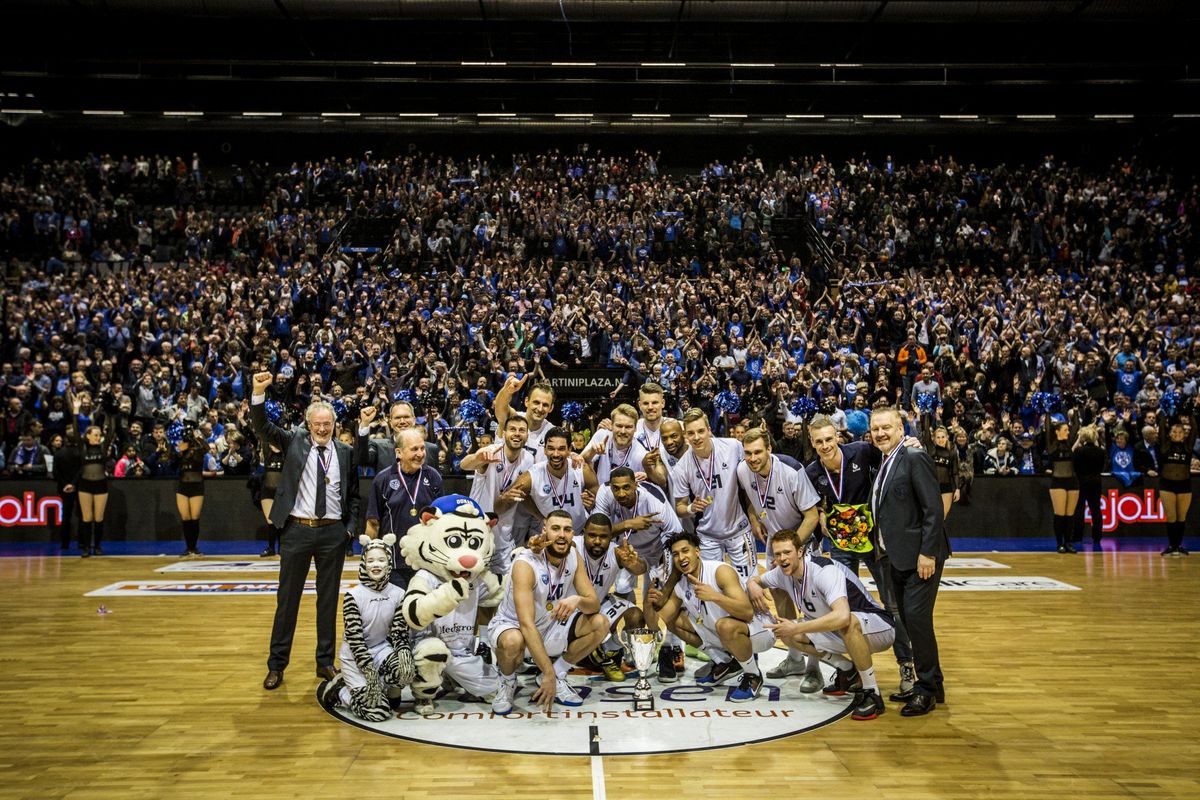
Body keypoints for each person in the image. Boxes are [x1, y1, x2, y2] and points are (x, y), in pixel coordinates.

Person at [250, 371, 361, 692]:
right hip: (297, 530)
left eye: (328, 424)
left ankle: (324, 661)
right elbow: (261, 426)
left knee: (327, 601)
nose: (323, 429)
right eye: (317, 424)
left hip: (332, 534)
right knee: (287, 600)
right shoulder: (293, 441)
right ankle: (276, 664)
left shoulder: (345, 451)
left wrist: (349, 530)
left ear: (334, 425)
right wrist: (259, 392)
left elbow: (352, 495)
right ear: (308, 424)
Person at [804, 413, 916, 693]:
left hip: (873, 541)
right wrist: (821, 514)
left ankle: (907, 664)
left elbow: (893, 462)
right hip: (841, 544)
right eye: (819, 441)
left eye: (829, 439)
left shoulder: (862, 452)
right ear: (812, 443)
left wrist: (910, 442)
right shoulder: (812, 472)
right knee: (844, 606)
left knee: (892, 604)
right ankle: (855, 670)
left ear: (838, 437)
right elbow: (814, 505)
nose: (825, 445)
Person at [750, 530, 896, 721]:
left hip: (877, 626)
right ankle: (848, 671)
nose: (782, 558)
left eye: (787, 552)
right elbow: (756, 581)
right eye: (777, 554)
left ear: (800, 551)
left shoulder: (824, 571)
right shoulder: (782, 572)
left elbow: (843, 617)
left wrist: (798, 627)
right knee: (785, 632)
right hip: (838, 630)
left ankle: (872, 692)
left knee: (846, 622)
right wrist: (753, 585)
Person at [485, 510, 608, 715]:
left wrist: (577, 599)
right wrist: (546, 671)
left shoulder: (573, 556)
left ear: (572, 534)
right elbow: (526, 624)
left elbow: (593, 604)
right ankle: (507, 682)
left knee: (600, 623)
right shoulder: (526, 563)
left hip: (550, 623)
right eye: (556, 528)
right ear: (544, 531)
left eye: (567, 530)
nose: (562, 534)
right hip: (514, 626)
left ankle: (559, 674)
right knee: (512, 641)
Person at [868, 407, 948, 717]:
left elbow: (933, 510)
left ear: (902, 429)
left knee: (916, 620)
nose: (881, 433)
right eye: (876, 429)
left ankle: (925, 689)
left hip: (920, 558)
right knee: (914, 621)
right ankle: (933, 684)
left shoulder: (914, 457)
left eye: (887, 427)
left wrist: (927, 553)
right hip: (896, 557)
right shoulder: (886, 460)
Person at [735, 427, 824, 686]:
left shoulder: (791, 470)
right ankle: (795, 659)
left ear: (769, 449)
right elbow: (750, 499)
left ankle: (814, 666)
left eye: (758, 452)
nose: (753, 458)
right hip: (774, 546)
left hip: (802, 543)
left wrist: (791, 550)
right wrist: (753, 518)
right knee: (782, 601)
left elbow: (812, 515)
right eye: (748, 453)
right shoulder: (743, 470)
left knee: (811, 606)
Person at [649, 531, 776, 702]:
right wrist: (653, 601)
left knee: (725, 625)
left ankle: (753, 675)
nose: (681, 557)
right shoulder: (681, 584)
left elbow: (747, 612)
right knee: (675, 621)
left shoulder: (719, 571)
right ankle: (723, 662)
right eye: (676, 554)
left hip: (759, 631)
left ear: (697, 551)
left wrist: (715, 596)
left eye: (685, 551)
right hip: (723, 634)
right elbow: (664, 620)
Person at [592, 467, 685, 681]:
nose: (621, 493)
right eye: (617, 488)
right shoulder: (605, 494)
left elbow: (675, 537)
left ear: (636, 484)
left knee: (656, 599)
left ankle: (667, 650)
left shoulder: (654, 502)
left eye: (626, 487)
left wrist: (665, 579)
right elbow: (596, 530)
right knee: (623, 589)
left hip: (661, 548)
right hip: (627, 549)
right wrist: (627, 524)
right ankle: (626, 648)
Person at [671, 408, 765, 579]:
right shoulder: (681, 468)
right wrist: (691, 508)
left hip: (739, 530)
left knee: (750, 586)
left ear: (709, 430)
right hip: (707, 536)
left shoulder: (733, 447)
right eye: (691, 433)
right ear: (686, 436)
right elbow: (679, 507)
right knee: (713, 590)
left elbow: (748, 485)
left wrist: (754, 518)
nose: (697, 437)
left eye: (701, 431)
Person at [365, 427, 445, 588]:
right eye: (414, 449)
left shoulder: (433, 476)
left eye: (422, 448)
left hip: (427, 563)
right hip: (394, 563)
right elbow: (373, 522)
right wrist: (369, 557)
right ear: (399, 452)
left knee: (424, 611)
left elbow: (442, 521)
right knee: (398, 612)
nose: (420, 454)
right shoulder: (383, 479)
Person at [461, 414, 534, 572]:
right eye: (512, 429)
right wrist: (478, 458)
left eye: (522, 430)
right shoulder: (492, 451)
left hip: (504, 535)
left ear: (527, 436)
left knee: (506, 587)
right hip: (478, 531)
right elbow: (465, 465)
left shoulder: (528, 459)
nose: (517, 433)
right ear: (504, 433)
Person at [500, 427, 598, 533]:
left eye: (561, 449)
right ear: (545, 450)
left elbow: (600, 503)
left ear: (569, 449)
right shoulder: (533, 474)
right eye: (551, 448)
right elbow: (513, 497)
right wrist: (540, 516)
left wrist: (592, 505)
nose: (555, 454)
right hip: (548, 535)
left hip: (579, 533)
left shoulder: (581, 469)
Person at [66, 389, 114, 557]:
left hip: (101, 484)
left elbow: (112, 433)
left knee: (98, 518)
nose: (98, 437)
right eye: (95, 435)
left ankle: (98, 546)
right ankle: (86, 547)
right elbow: (74, 426)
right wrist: (75, 411)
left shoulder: (102, 447)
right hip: (85, 484)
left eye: (99, 435)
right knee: (86, 518)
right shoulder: (82, 446)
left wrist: (111, 413)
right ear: (87, 436)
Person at [355, 401, 437, 474]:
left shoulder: (430, 449)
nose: (402, 421)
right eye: (397, 418)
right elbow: (362, 461)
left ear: (414, 420)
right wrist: (365, 423)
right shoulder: (378, 446)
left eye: (406, 417)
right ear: (390, 422)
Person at [580, 404, 652, 484]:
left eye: (628, 427)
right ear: (611, 425)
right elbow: (580, 462)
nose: (623, 431)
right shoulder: (602, 435)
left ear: (635, 429)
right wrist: (592, 452)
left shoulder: (641, 454)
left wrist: (648, 476)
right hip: (600, 494)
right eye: (619, 426)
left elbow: (656, 480)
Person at [1157, 406, 1196, 556]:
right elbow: (1161, 429)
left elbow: (1194, 430)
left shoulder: (1187, 446)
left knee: (1181, 517)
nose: (1177, 434)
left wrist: (1189, 413)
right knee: (1171, 517)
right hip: (1167, 484)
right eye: (1174, 432)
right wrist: (1164, 414)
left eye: (1180, 432)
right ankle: (1171, 546)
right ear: (1169, 434)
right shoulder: (1165, 446)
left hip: (1185, 485)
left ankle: (1178, 545)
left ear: (1184, 435)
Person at [1045, 411, 1081, 554]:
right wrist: (1047, 411)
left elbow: (1077, 425)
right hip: (1058, 482)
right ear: (1057, 432)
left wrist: (1076, 408)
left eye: (1068, 430)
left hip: (1073, 482)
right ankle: (1059, 543)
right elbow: (1047, 428)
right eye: (1065, 430)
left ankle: (1069, 543)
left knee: (1070, 515)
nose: (1068, 432)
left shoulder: (1069, 442)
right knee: (1060, 514)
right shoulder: (1052, 445)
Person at [175, 426, 207, 557]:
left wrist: (198, 437)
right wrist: (179, 451)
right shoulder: (180, 447)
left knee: (195, 518)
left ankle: (194, 547)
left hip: (197, 485)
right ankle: (188, 547)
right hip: (183, 486)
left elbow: (206, 448)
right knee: (185, 518)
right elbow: (172, 461)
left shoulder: (199, 448)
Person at [50, 433, 81, 552]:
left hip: (64, 488)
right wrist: (73, 483)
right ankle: (82, 543)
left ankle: (64, 543)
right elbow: (81, 470)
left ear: (65, 440)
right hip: (78, 487)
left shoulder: (58, 453)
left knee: (66, 516)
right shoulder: (80, 452)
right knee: (82, 516)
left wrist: (65, 484)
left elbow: (55, 472)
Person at [258, 442, 284, 557]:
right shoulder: (266, 454)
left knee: (281, 521)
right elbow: (256, 437)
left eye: (277, 441)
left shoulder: (287, 454)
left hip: (282, 492)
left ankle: (282, 548)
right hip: (267, 491)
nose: (275, 445)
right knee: (271, 521)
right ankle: (271, 548)